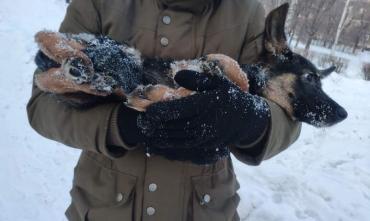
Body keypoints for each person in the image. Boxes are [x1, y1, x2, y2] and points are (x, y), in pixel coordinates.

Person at [27, 0, 302, 220]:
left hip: (207, 208)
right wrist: (122, 125)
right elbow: (43, 105)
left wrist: (251, 121)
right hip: (103, 208)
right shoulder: (98, 3)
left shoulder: (247, 12)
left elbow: (287, 107)